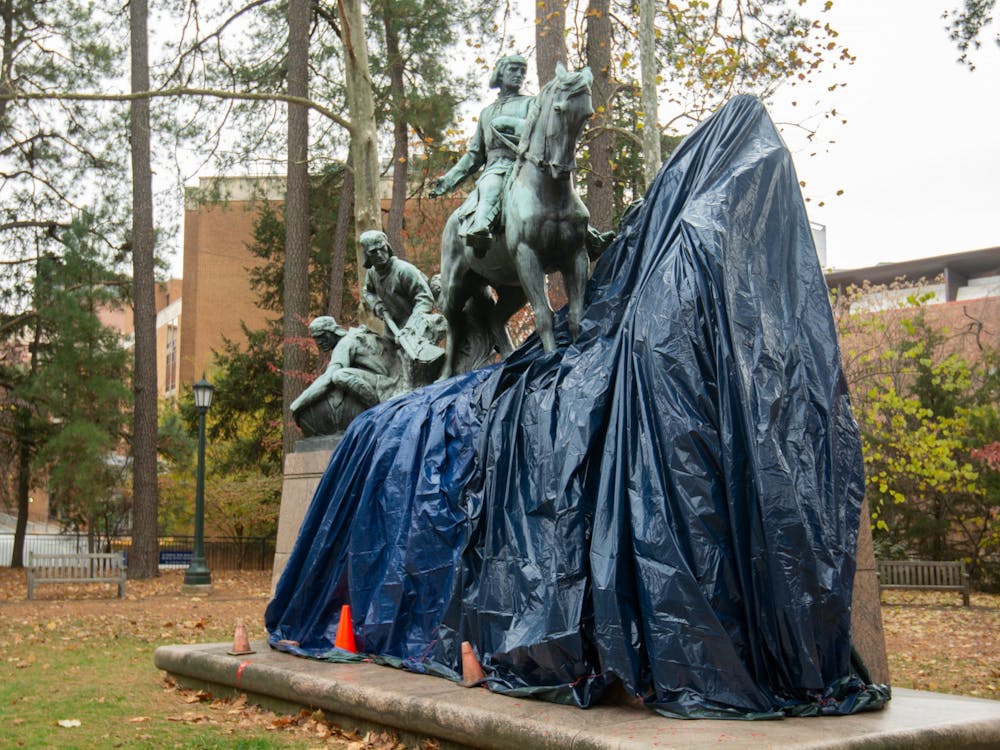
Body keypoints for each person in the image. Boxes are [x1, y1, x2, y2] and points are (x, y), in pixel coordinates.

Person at [429, 55, 532, 254]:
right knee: (490, 185)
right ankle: (480, 228)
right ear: (501, 73)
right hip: (497, 167)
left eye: (523, 71)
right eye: (514, 69)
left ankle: (585, 234)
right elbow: (475, 154)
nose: (519, 75)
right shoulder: (486, 113)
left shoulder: (531, 103)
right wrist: (449, 179)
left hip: (527, 164)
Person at [290, 316, 397, 436]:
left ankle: (380, 412)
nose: (319, 342)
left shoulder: (345, 343)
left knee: (340, 376)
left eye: (322, 335)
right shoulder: (355, 336)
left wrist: (298, 404)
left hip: (386, 386)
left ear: (333, 331)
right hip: (386, 383)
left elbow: (328, 378)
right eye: (316, 338)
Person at [359, 230, 440, 345]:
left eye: (382, 248)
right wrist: (377, 305)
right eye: (373, 252)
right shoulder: (372, 273)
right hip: (392, 332)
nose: (380, 254)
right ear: (367, 254)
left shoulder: (404, 270)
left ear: (387, 247)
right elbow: (368, 291)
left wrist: (410, 327)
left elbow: (425, 299)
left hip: (417, 331)